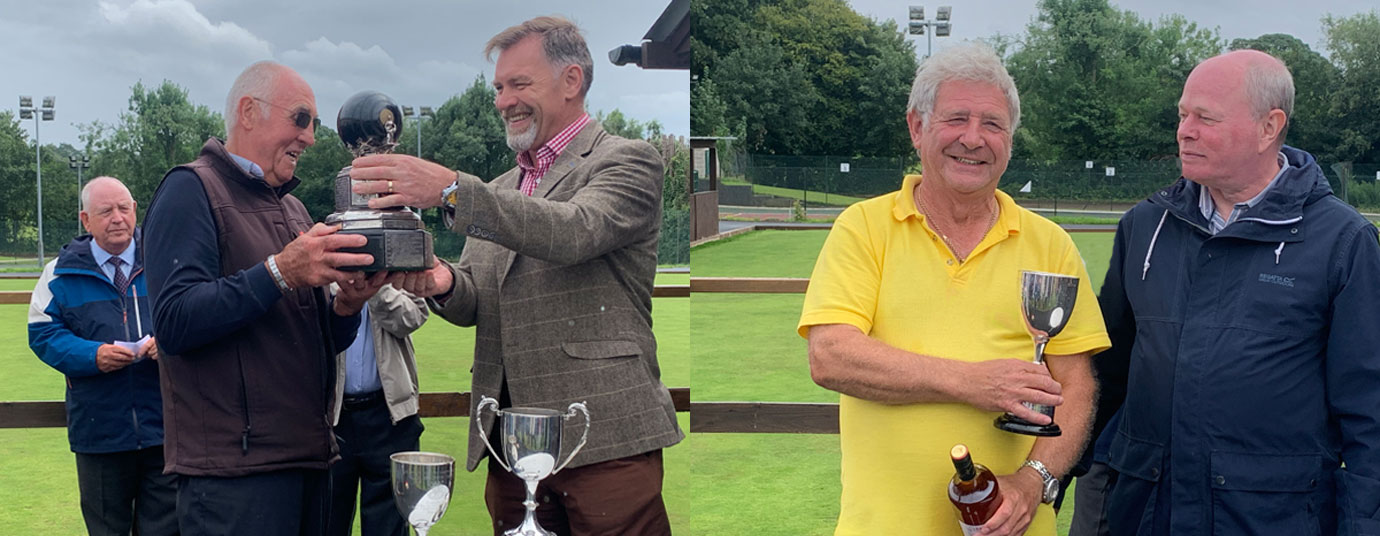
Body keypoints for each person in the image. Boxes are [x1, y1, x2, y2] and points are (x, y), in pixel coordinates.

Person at [344, 16, 682, 535]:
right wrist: (440, 281)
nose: (504, 100)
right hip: (509, 443)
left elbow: (574, 231)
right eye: (499, 87)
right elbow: (476, 298)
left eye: (519, 84)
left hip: (604, 437)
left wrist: (453, 189)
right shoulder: (504, 184)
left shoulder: (626, 160)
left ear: (571, 81)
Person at [796, 42, 1111, 536]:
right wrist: (971, 383)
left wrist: (1033, 482)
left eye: (992, 124)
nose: (974, 138)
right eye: (956, 119)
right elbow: (831, 356)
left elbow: (1077, 385)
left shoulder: (1051, 245)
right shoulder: (863, 227)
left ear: (1010, 139)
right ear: (917, 127)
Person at [1094, 49, 1380, 535]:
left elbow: (1369, 414)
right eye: (1183, 115)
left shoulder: (1343, 241)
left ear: (1269, 127)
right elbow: (1104, 375)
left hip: (1272, 519)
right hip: (1145, 513)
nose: (1185, 130)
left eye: (1205, 117)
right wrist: (1055, 477)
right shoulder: (1144, 226)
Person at [143, 60, 386, 536]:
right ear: (248, 111)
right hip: (235, 477)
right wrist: (279, 271)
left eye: (313, 124)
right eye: (300, 118)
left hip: (308, 459)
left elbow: (314, 339)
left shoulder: (292, 206)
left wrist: (347, 306)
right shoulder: (188, 189)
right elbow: (173, 323)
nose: (311, 137)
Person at [28, 176, 176, 536]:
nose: (117, 218)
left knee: (167, 531)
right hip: (99, 433)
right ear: (85, 220)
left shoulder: (166, 261)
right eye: (105, 211)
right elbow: (42, 332)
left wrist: (168, 343)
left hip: (165, 428)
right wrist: (91, 356)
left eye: (124, 208)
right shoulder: (59, 272)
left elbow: (194, 314)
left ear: (135, 211)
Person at [326, 283, 428, 536]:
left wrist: (374, 287)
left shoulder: (395, 261)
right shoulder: (321, 263)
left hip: (390, 417)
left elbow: (413, 317)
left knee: (389, 526)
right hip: (331, 420)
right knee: (326, 522)